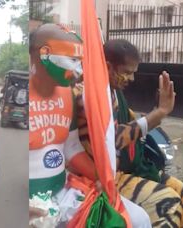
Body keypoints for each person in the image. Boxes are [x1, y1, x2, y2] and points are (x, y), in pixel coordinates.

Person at [29, 24, 151, 228]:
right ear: (44, 54)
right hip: (31, 204)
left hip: (64, 194)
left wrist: (102, 178)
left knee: (138, 219)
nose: (78, 70)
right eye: (72, 61)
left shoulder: (66, 94)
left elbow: (72, 148)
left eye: (80, 62)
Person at [74, 39, 183, 227]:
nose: (132, 79)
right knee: (167, 201)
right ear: (108, 66)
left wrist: (156, 113)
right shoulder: (86, 93)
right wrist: (159, 113)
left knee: (181, 189)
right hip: (96, 178)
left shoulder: (111, 91)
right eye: (127, 72)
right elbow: (111, 138)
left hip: (117, 171)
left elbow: (128, 125)